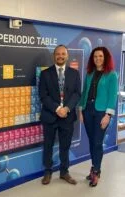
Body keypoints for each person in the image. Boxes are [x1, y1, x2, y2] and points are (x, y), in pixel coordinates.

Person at [39, 45, 81, 185]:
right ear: (54, 56)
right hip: (50, 115)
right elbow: (43, 96)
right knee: (48, 145)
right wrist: (58, 108)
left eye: (63, 54)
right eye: (58, 54)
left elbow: (76, 94)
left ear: (67, 56)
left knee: (65, 145)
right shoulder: (45, 74)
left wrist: (67, 108)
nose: (60, 56)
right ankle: (48, 172)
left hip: (67, 116)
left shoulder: (74, 73)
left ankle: (64, 172)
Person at [78, 47, 117, 187]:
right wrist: (80, 110)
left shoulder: (112, 75)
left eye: (100, 56)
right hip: (88, 110)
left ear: (105, 57)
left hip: (102, 112)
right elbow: (85, 92)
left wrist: (108, 115)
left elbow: (113, 96)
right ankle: (94, 166)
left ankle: (97, 171)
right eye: (95, 56)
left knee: (97, 142)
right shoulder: (89, 73)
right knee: (91, 141)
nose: (97, 59)